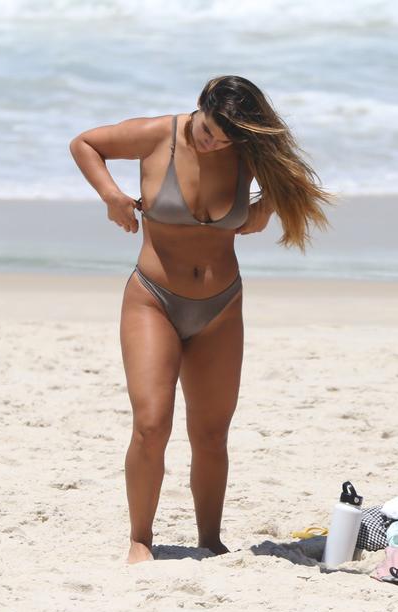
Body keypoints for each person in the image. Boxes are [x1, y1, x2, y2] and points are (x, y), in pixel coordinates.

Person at [69, 75, 332, 564]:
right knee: (151, 424)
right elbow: (84, 142)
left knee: (212, 434)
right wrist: (111, 196)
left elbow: (287, 185)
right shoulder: (156, 136)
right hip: (153, 299)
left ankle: (210, 540)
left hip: (221, 307)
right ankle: (140, 540)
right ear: (200, 106)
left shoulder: (245, 153)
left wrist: (262, 211)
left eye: (228, 137)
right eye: (211, 130)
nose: (216, 142)